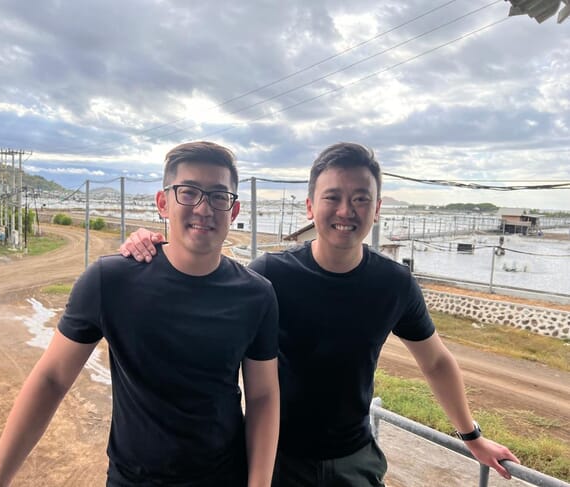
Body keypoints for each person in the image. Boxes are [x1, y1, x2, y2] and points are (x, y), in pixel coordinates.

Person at [121, 142, 520, 486]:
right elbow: (202, 285)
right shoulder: (269, 276)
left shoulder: (393, 284)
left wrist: (472, 437)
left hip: (354, 460)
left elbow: (435, 361)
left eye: (361, 198)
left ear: (377, 208)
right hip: (273, 459)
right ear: (311, 205)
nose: (346, 210)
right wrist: (154, 248)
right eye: (333, 197)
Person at [0, 141, 280, 487]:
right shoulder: (111, 281)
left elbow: (262, 396)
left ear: (234, 210)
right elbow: (51, 379)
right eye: (188, 192)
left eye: (218, 196)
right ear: (162, 203)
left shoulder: (256, 295)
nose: (204, 207)